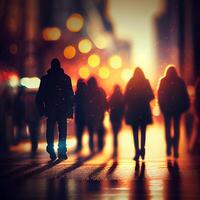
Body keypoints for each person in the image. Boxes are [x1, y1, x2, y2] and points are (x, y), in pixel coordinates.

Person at [36, 58, 74, 160]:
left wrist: (42, 110)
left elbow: (40, 96)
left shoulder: (45, 79)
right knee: (62, 131)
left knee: (50, 131)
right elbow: (70, 96)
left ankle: (51, 148)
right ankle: (61, 151)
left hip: (50, 109)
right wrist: (70, 111)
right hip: (62, 109)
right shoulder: (66, 78)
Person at [158, 66, 190, 158]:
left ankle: (168, 146)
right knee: (176, 129)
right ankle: (175, 149)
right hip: (177, 109)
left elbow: (160, 95)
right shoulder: (180, 81)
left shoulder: (163, 81)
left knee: (167, 128)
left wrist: (162, 107)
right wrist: (184, 106)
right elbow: (185, 95)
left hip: (167, 109)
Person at [125, 67, 154, 161]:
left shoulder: (131, 82)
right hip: (144, 110)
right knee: (143, 131)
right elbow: (151, 95)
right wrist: (144, 99)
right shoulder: (146, 82)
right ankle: (142, 149)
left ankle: (137, 151)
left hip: (133, 110)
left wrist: (132, 100)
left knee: (135, 132)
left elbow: (125, 96)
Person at [86, 77, 107, 151]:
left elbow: (85, 102)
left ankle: (91, 145)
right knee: (99, 129)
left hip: (89, 113)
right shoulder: (100, 90)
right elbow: (104, 101)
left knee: (91, 131)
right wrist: (103, 109)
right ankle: (100, 145)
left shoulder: (86, 91)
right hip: (99, 113)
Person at [108, 85, 124, 155]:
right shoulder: (121, 96)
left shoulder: (112, 95)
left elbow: (109, 104)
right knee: (117, 129)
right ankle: (115, 141)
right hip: (119, 115)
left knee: (114, 130)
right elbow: (123, 105)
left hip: (113, 115)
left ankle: (115, 141)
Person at [74, 79, 87, 152]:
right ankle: (92, 144)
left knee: (79, 130)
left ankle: (79, 144)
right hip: (86, 114)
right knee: (90, 130)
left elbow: (74, 102)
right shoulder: (87, 93)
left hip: (79, 114)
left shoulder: (77, 93)